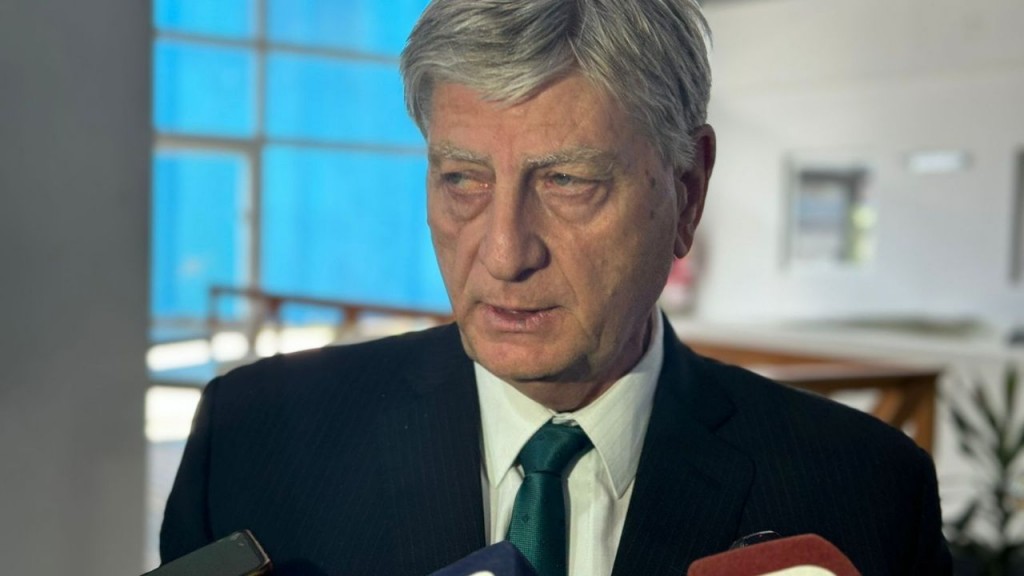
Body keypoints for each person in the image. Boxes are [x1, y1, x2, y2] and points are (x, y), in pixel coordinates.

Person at [160, 1, 953, 574]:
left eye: (568, 181)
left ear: (688, 190)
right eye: (463, 179)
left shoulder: (865, 491)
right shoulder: (254, 440)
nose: (505, 254)